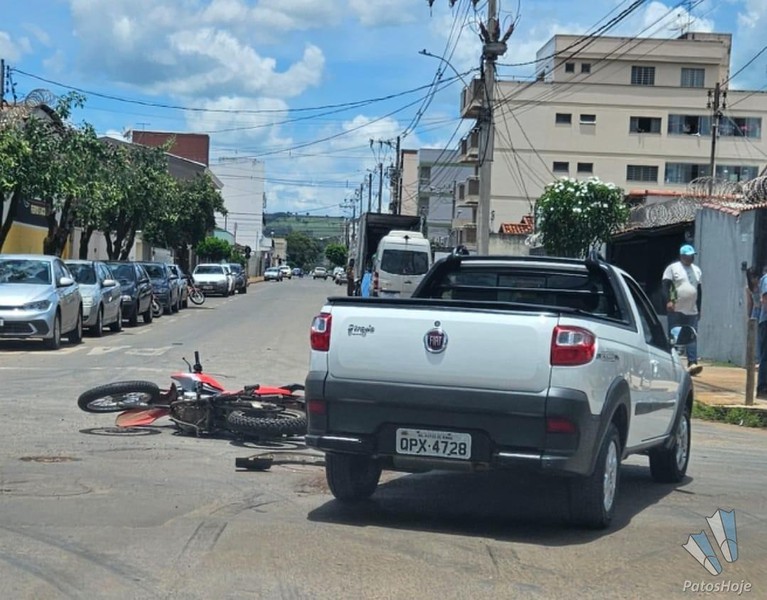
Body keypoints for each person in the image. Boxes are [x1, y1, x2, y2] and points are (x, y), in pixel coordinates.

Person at [662, 244, 703, 375]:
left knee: (692, 335)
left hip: (691, 309)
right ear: (682, 256)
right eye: (688, 256)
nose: (691, 258)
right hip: (676, 308)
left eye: (692, 256)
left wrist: (699, 308)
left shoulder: (697, 270)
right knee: (674, 335)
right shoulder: (673, 268)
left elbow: (699, 290)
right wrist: (668, 301)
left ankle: (692, 363)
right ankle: (671, 362)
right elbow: (665, 285)